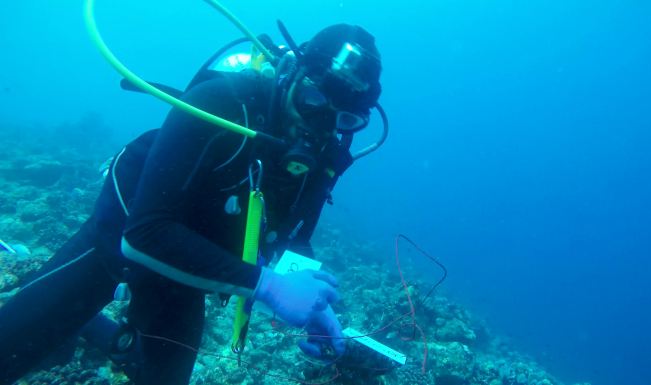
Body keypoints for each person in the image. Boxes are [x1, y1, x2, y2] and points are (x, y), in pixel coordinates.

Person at [0, 22, 384, 385]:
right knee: (12, 352)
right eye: (314, 98)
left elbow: (292, 235)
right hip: (121, 236)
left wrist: (315, 306)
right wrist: (267, 286)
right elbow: (145, 233)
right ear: (292, 74)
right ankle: (77, 317)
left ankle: (97, 328)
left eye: (347, 119)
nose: (321, 124)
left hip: (191, 267)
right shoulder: (221, 103)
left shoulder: (326, 154)